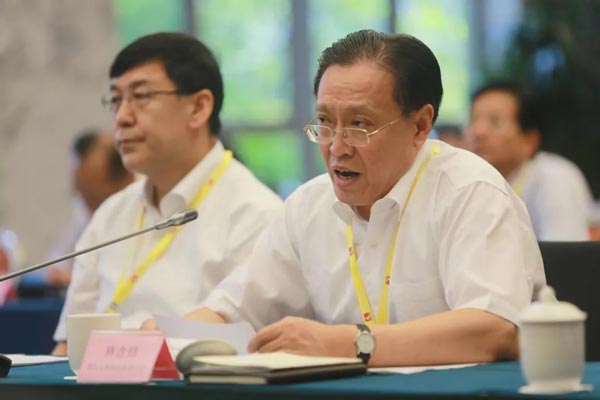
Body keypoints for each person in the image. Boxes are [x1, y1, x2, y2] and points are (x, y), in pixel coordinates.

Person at [151, 30, 545, 367]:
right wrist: (163, 338)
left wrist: (349, 343)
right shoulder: (308, 206)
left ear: (420, 126)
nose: (337, 147)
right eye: (324, 122)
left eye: (359, 125)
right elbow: (230, 312)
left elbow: (494, 328)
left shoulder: (470, 190)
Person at [52, 32, 282, 355]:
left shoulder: (256, 215)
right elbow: (67, 348)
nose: (122, 118)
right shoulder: (111, 214)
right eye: (116, 100)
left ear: (199, 108)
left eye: (141, 96)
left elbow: (251, 351)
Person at [465, 81, 594, 241]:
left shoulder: (554, 177)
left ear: (530, 141)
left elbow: (564, 253)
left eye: (495, 122)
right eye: (474, 120)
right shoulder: (468, 182)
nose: (478, 132)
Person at [46, 129, 135, 290]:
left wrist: (87, 279)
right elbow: (59, 263)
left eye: (93, 198)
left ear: (127, 179)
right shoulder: (84, 206)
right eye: (80, 193)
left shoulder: (149, 207)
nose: (86, 206)